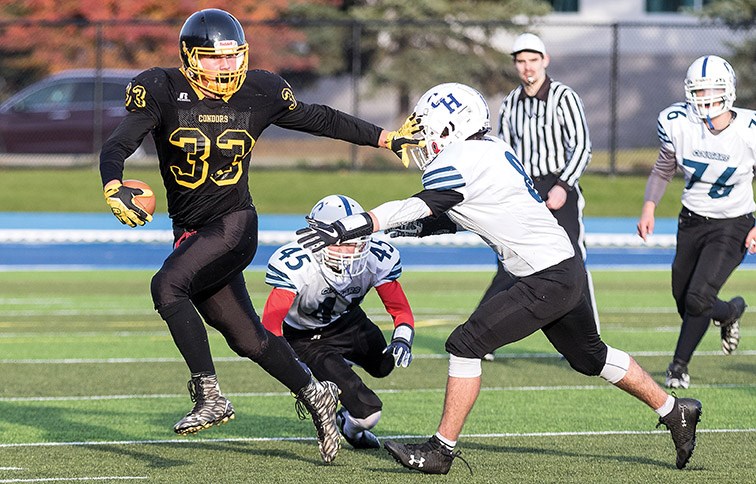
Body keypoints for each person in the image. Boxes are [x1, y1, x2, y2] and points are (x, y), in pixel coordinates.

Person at [296, 83, 702, 473]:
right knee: (590, 357)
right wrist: (398, 227)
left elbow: (422, 205)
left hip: (544, 277)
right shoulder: (491, 149)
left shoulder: (463, 160)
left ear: (453, 128)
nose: (424, 140)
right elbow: (456, 217)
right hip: (562, 266)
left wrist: (359, 224)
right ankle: (674, 410)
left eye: (429, 130)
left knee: (464, 344)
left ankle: (441, 450)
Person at [98, 8, 412, 464]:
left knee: (167, 285)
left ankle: (210, 395)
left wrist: (385, 138)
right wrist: (113, 181)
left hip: (234, 224)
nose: (226, 67)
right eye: (213, 58)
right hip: (191, 231)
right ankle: (316, 394)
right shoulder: (161, 88)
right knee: (248, 340)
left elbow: (320, 118)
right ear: (189, 57)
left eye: (232, 57)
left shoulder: (258, 89)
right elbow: (117, 143)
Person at [637, 54, 755, 389]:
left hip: (734, 222)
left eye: (712, 90)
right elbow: (664, 167)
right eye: (698, 91)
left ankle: (678, 366)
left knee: (699, 296)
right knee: (683, 297)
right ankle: (730, 312)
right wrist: (649, 206)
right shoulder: (676, 122)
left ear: (728, 90)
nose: (704, 98)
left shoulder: (749, 130)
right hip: (691, 219)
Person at [261, 194, 415, 449]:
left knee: (384, 365)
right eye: (340, 242)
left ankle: (337, 369)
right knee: (368, 414)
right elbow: (270, 326)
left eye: (355, 242)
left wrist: (403, 338)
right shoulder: (299, 263)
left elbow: (400, 309)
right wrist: (292, 367)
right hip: (305, 338)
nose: (350, 251)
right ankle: (349, 425)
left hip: (348, 323)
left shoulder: (375, 258)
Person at [480, 33, 597, 361]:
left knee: (572, 261)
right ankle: (483, 335)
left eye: (533, 60)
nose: (527, 67)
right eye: (520, 61)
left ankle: (589, 342)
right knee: (510, 264)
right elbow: (504, 150)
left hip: (560, 185)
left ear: (545, 61)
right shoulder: (511, 102)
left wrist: (563, 185)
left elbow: (582, 146)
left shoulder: (564, 97)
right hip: (524, 190)